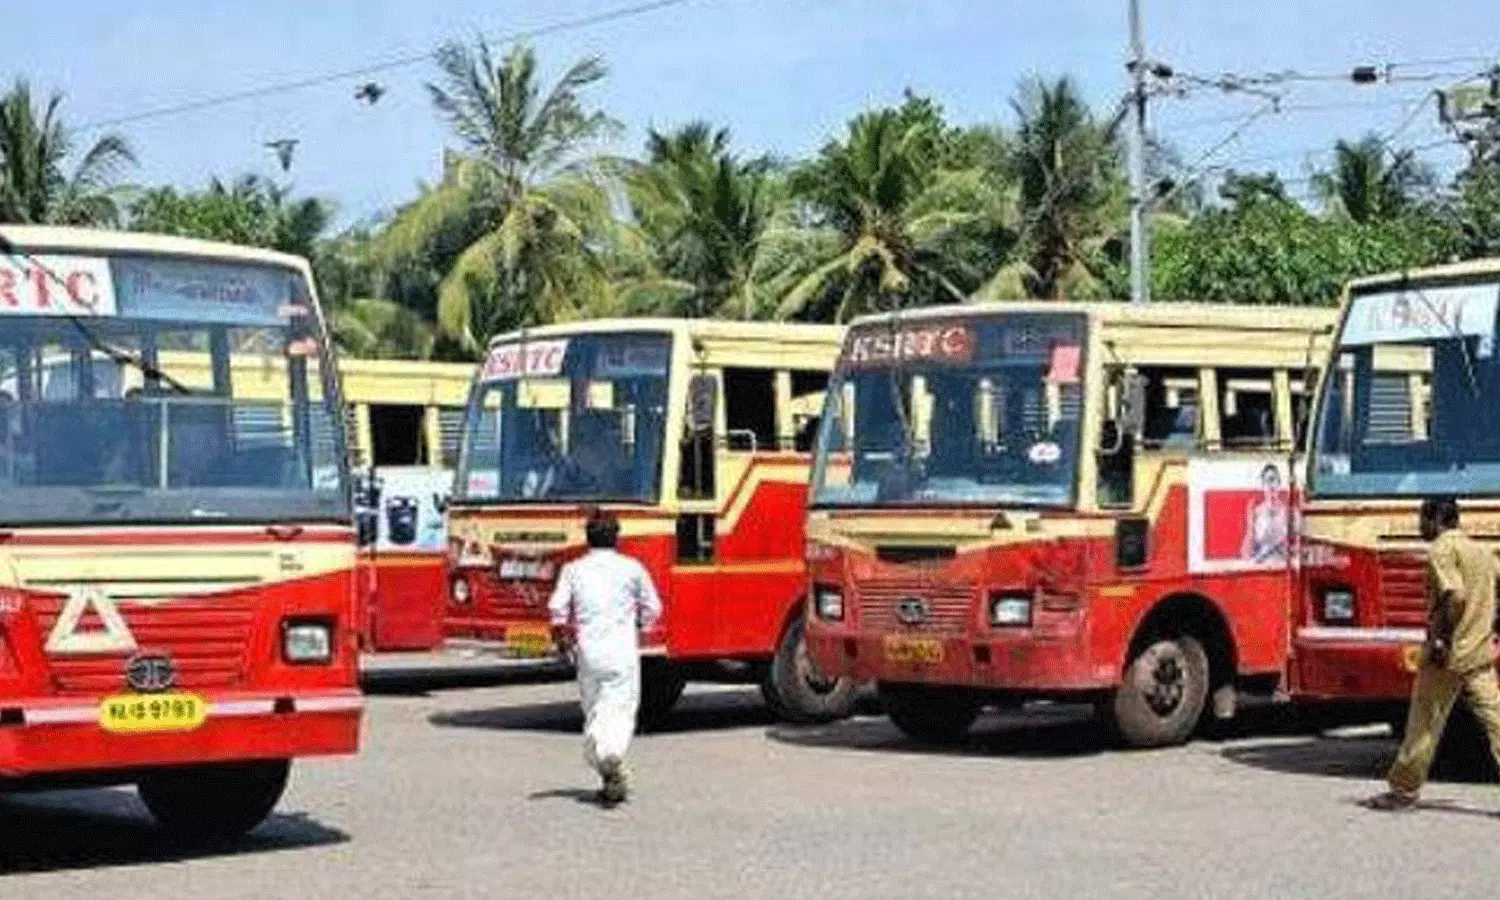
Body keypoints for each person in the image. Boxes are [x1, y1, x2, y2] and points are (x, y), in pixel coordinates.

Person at [1365, 496, 1500, 811]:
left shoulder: (1442, 550)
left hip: (1448, 656)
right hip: (1479, 654)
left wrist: (1441, 639)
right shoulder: (1481, 551)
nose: (1419, 526)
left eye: (1422, 519)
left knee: (1424, 724)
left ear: (1434, 519)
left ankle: (1403, 790)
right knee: (1496, 722)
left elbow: (1453, 595)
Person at [547, 508, 662, 806]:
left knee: (594, 708)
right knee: (620, 709)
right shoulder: (632, 568)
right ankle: (609, 756)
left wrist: (562, 640)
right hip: (622, 651)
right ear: (617, 538)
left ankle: (604, 768)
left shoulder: (573, 569)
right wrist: (642, 626)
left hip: (588, 652)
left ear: (587, 539)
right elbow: (653, 606)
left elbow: (557, 611)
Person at [1239, 464, 1289, 564]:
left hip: (1282, 565)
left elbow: (1295, 550)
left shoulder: (1289, 512)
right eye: (1267, 481)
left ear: (1279, 483)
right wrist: (1250, 524)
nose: (1271, 485)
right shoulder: (1256, 512)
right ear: (1263, 486)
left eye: (1273, 480)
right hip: (1262, 564)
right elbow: (1245, 555)